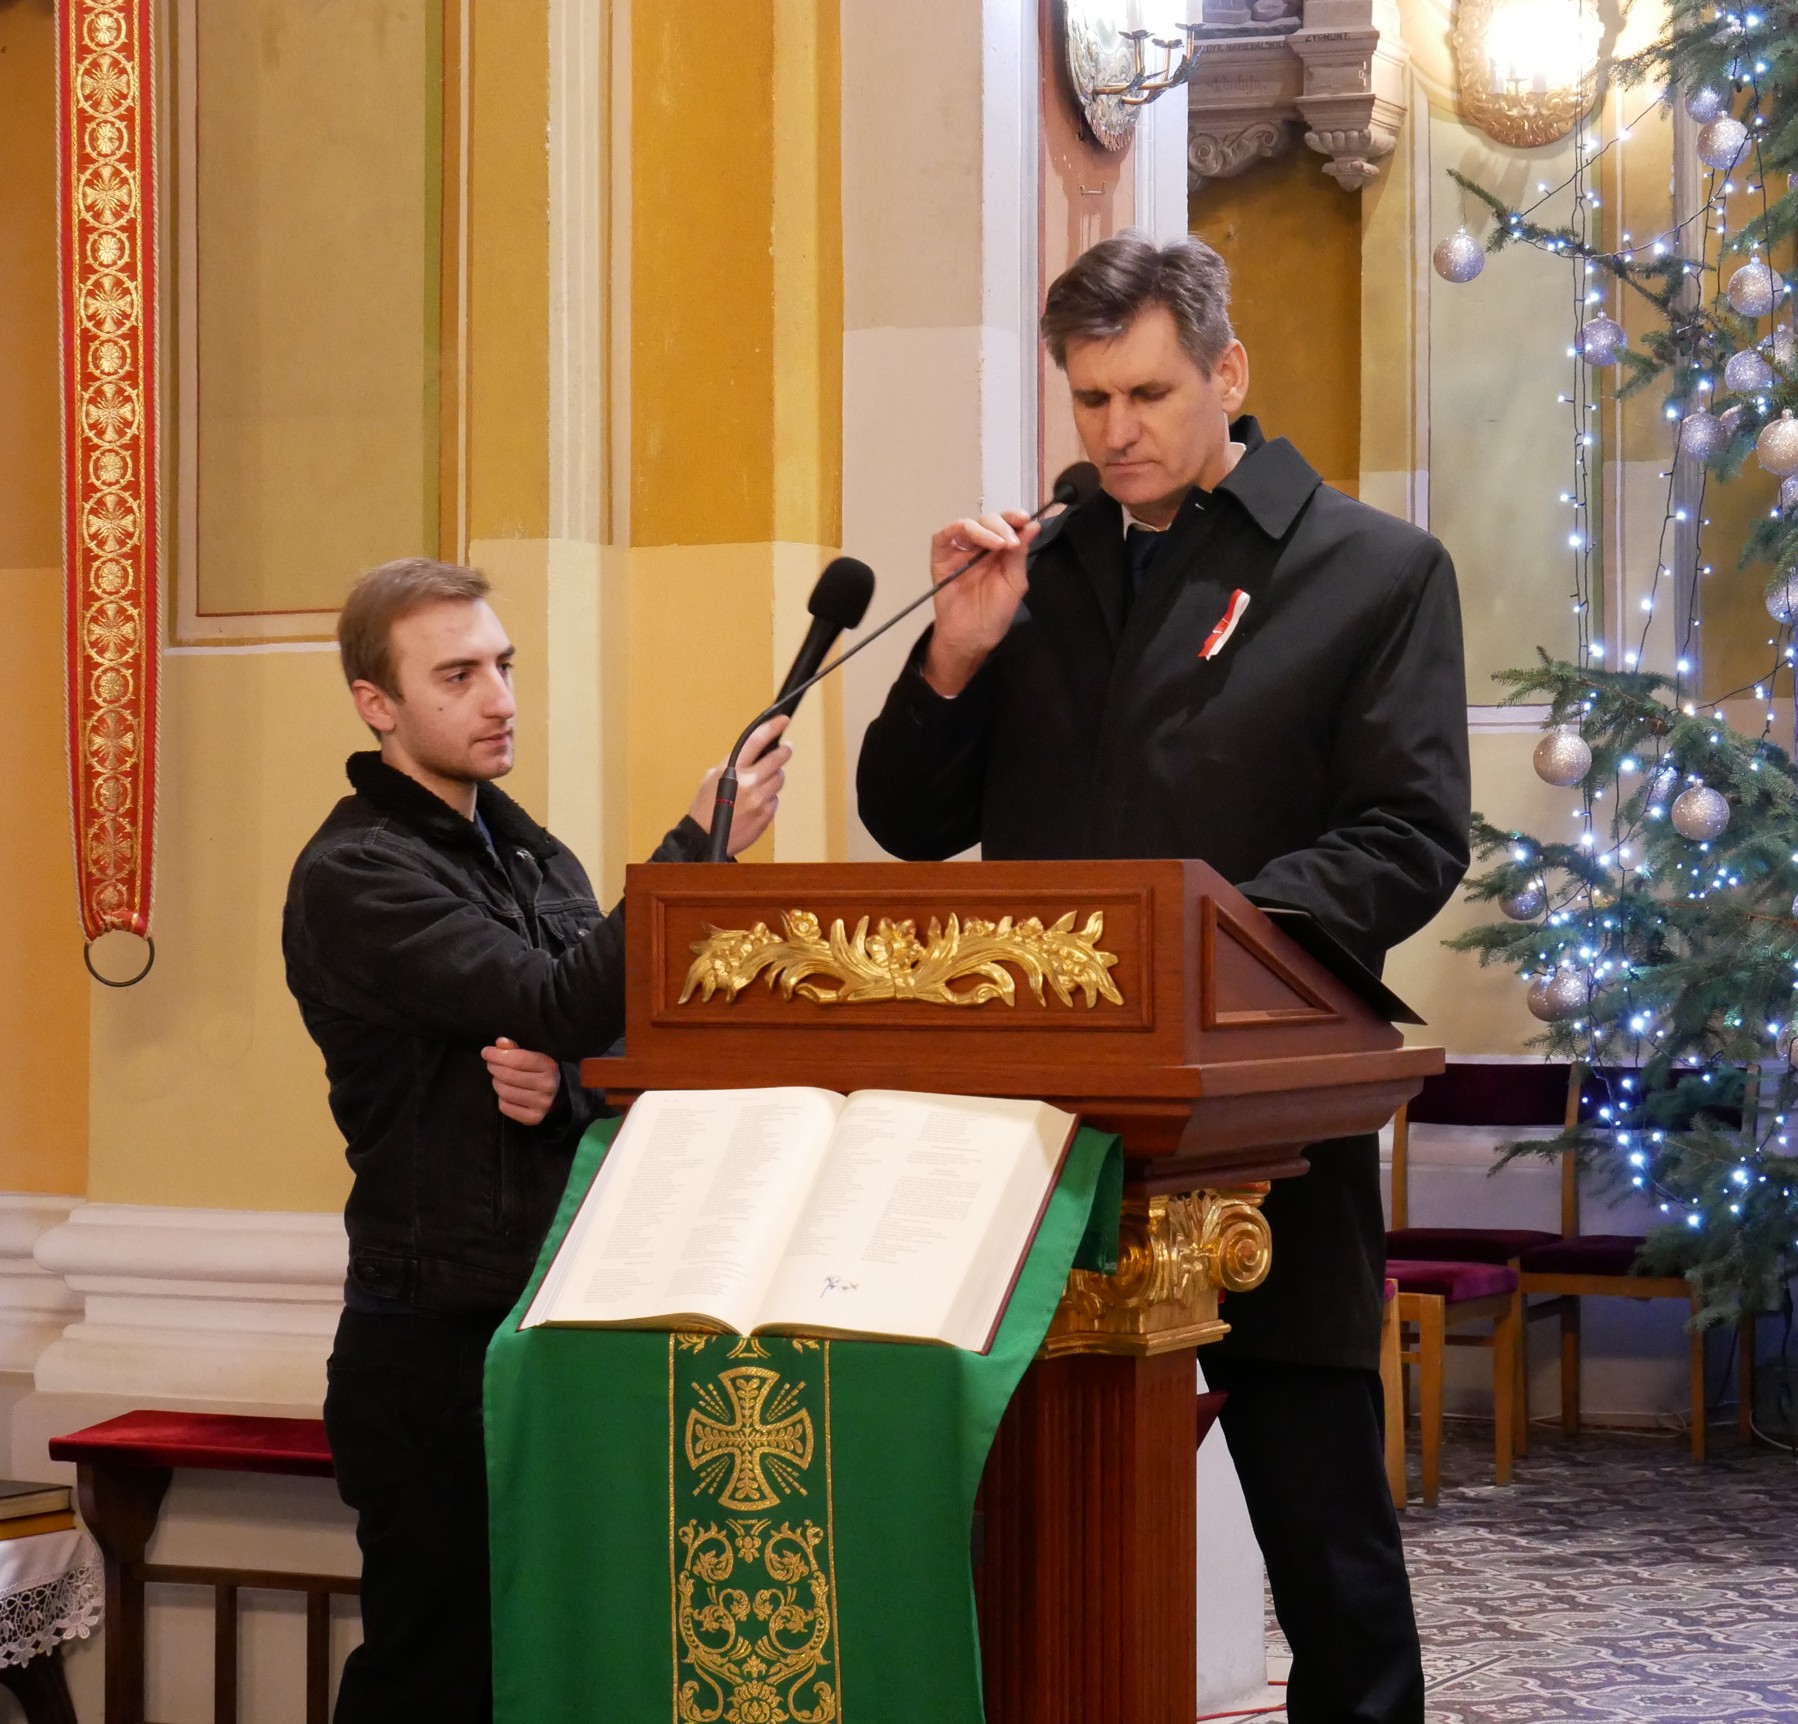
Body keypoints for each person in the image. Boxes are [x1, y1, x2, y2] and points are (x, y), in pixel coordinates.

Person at [857, 231, 1468, 1724]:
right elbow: (909, 821)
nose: (1116, 430)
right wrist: (953, 657)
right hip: (1046, 1128)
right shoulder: (1040, 571)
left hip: (1264, 1115)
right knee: (1036, 1517)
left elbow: (1409, 833)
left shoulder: (1371, 569)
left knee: (1323, 1527)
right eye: (1089, 400)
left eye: (1147, 393)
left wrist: (1209, 947)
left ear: (1226, 372)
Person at [281, 558, 789, 1724]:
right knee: (439, 1675)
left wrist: (565, 1088)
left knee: (560, 1670)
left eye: (503, 665)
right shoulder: (356, 870)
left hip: (559, 1305)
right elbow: (558, 997)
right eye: (457, 675)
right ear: (376, 702)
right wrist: (694, 848)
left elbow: (613, 1038)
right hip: (435, 1337)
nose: (500, 698)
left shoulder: (531, 852)